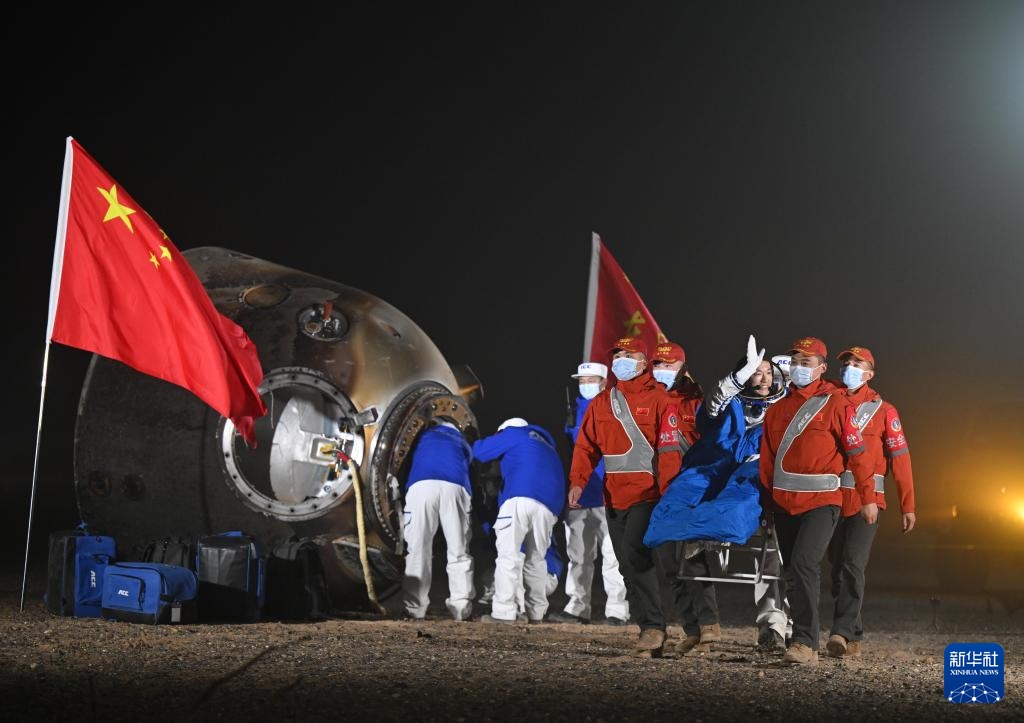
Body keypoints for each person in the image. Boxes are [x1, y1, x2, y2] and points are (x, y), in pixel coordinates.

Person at [646, 336, 790, 653]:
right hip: (714, 463)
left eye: (768, 372)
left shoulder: (785, 406)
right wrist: (738, 378)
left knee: (745, 516)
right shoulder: (729, 402)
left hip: (757, 471)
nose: (763, 378)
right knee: (678, 499)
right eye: (756, 371)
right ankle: (697, 534)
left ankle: (777, 626)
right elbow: (712, 407)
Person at [760, 336, 874, 666]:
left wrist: (867, 497)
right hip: (784, 504)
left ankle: (804, 642)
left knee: (804, 562)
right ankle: (804, 641)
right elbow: (767, 463)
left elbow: (858, 455)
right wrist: (765, 506)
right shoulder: (777, 409)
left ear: (822, 368)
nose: (799, 367)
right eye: (795, 361)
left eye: (806, 362)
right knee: (793, 572)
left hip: (823, 502)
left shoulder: (837, 405)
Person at [568, 336, 683, 657]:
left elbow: (669, 451)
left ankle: (654, 628)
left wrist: (669, 493)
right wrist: (577, 481)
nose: (620, 359)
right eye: (617, 354)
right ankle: (650, 630)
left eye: (628, 355)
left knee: (635, 555)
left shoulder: (660, 399)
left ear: (644, 362)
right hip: (613, 496)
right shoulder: (602, 402)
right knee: (625, 565)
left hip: (648, 494)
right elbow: (585, 447)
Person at [827, 346, 916, 657]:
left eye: (857, 364)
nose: (849, 368)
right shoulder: (829, 401)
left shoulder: (884, 411)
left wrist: (908, 504)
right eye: (846, 363)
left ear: (870, 373)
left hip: (868, 501)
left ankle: (840, 633)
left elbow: (900, 459)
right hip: (831, 497)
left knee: (853, 562)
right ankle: (853, 631)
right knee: (837, 566)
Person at [649, 341, 720, 654]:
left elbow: (713, 444)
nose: (662, 370)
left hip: (688, 491)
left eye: (669, 365)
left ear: (682, 368)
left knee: (693, 559)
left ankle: (710, 628)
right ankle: (691, 629)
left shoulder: (697, 402)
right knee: (668, 565)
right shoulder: (648, 399)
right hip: (655, 492)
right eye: (658, 364)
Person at [547, 362, 630, 626]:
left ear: (604, 383)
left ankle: (617, 611)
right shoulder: (574, 412)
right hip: (581, 496)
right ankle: (577, 607)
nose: (585, 385)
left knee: (613, 557)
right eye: (582, 381)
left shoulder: (616, 408)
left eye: (590, 380)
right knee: (578, 556)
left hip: (610, 495)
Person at [473, 417, 566, 624]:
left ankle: (504, 613)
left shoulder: (514, 433)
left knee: (508, 556)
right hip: (549, 507)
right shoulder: (547, 447)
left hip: (520, 497)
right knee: (536, 560)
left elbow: (479, 451)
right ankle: (536, 614)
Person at [401, 419, 476, 621]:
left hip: (421, 485)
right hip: (456, 486)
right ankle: (461, 608)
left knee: (418, 548)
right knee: (459, 549)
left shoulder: (423, 436)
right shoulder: (461, 441)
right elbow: (471, 466)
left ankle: (414, 609)